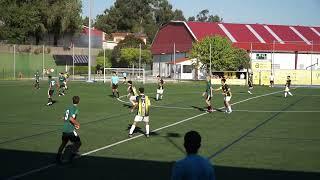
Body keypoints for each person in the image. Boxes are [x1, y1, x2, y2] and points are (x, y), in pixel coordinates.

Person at [56, 96, 81, 164]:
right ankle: (71, 157)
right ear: (78, 101)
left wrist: (71, 122)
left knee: (63, 144)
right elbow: (71, 119)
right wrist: (77, 124)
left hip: (64, 129)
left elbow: (63, 118)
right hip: (70, 130)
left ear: (72, 100)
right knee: (78, 143)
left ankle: (57, 158)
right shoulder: (75, 108)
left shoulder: (68, 108)